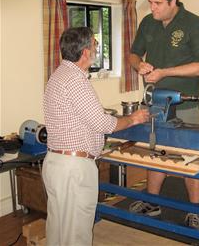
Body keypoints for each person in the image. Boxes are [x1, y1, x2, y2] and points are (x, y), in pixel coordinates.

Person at [42, 27, 149, 246]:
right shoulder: (76, 80)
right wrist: (134, 119)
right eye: (95, 45)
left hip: (56, 163)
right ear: (85, 53)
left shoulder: (58, 74)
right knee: (76, 234)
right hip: (74, 168)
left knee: (58, 230)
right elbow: (103, 123)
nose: (96, 48)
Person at [128, 0, 199, 229]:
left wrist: (164, 72)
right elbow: (133, 54)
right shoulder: (148, 23)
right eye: (150, 2)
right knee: (156, 155)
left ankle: (194, 211)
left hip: (185, 105)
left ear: (173, 1)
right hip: (155, 103)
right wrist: (138, 65)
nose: (152, 8)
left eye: (157, 3)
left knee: (190, 158)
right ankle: (152, 203)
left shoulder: (194, 24)